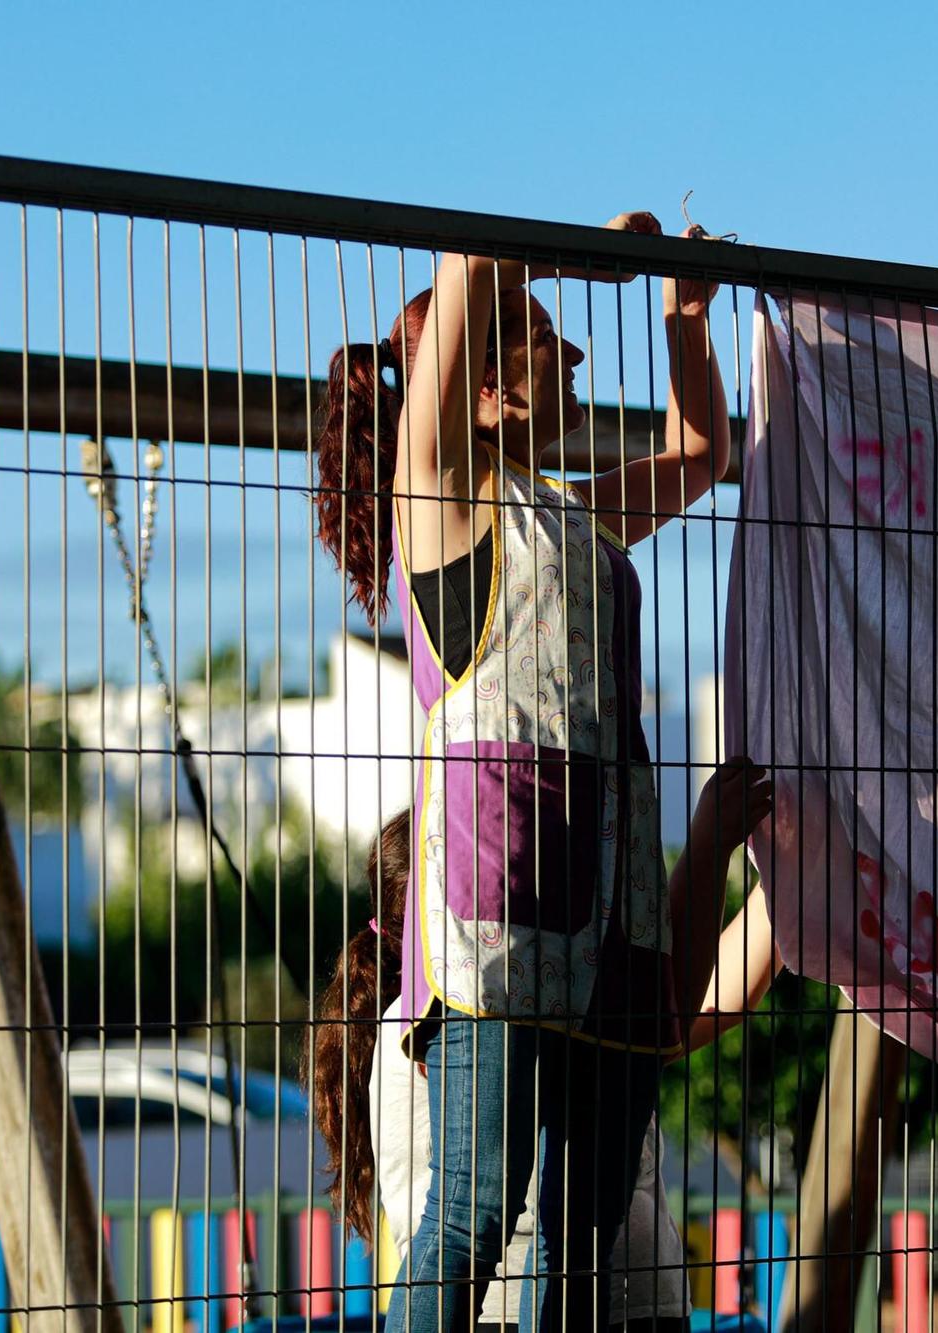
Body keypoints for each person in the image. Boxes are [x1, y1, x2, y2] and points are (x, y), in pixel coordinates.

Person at [314, 211, 737, 1333]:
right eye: (547, 336)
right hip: (497, 915)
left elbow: (704, 458)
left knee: (584, 1226)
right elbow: (464, 263)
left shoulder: (570, 513)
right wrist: (579, 248)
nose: (576, 356)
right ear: (487, 388)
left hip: (603, 911)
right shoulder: (440, 502)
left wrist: (684, 322)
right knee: (476, 1210)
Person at [311, 762, 780, 1333]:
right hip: (519, 1314)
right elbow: (669, 1009)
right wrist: (708, 845)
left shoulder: (548, 998)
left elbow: (685, 1012)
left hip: (629, 1302)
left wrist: (785, 888)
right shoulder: (438, 1019)